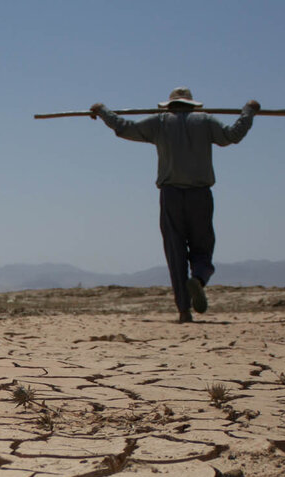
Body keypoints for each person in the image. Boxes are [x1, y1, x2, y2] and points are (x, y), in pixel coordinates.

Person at [90, 87, 260, 323]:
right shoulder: (206, 121)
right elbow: (233, 135)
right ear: (192, 105)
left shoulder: (160, 122)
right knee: (202, 247)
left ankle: (183, 309)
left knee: (175, 251)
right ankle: (199, 278)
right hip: (200, 194)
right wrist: (248, 111)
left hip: (170, 195)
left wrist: (102, 111)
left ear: (169, 105)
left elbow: (124, 127)